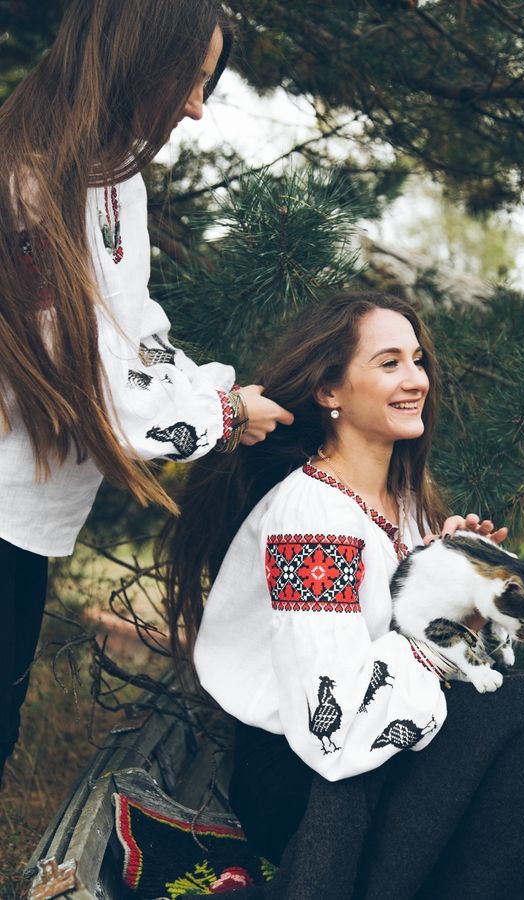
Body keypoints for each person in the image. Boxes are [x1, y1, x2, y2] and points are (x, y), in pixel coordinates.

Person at [165, 290, 524, 899]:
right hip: (307, 779)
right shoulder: (310, 522)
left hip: (383, 743)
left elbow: (431, 654)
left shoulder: (408, 503)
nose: (416, 379)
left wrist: (468, 591)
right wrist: (441, 637)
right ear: (330, 391)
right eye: (389, 362)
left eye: (418, 360)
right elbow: (333, 728)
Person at [0, 0, 293, 787]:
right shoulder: (30, 181)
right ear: (137, 59)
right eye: (190, 79)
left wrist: (214, 391)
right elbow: (95, 383)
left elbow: (132, 332)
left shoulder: (110, 178)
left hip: (21, 516)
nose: (195, 107)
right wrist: (225, 413)